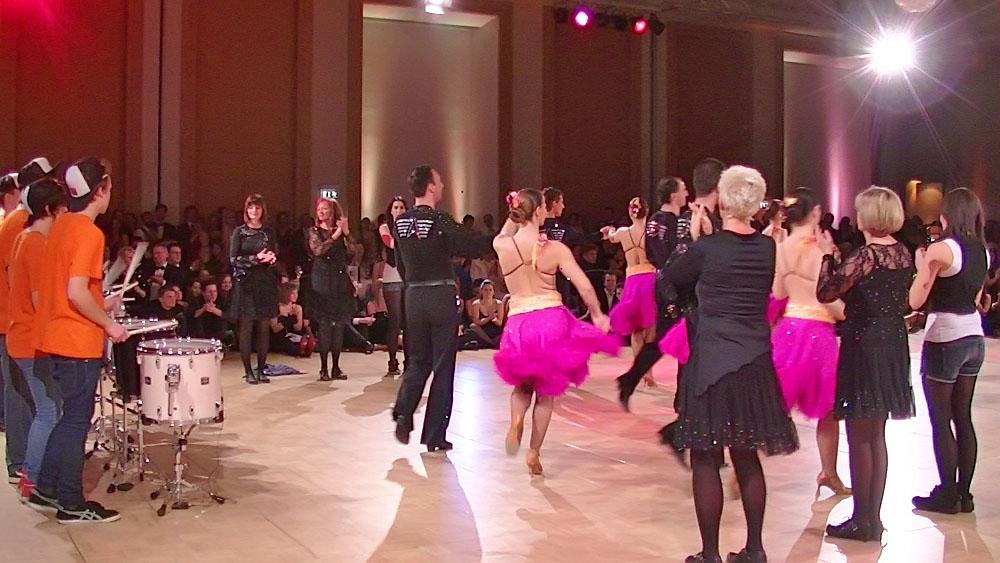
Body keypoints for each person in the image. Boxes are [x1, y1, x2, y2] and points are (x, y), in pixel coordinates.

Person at [664, 166, 798, 563]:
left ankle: (710, 554)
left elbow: (670, 278)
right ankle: (755, 549)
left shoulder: (707, 249)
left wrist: (693, 241)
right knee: (746, 454)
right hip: (754, 360)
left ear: (722, 200)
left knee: (706, 457)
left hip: (713, 361)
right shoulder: (768, 247)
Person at [494, 189, 618, 474]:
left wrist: (517, 208)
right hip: (550, 320)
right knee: (546, 393)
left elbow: (507, 229)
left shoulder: (501, 244)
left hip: (518, 322)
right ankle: (534, 453)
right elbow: (584, 285)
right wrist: (597, 315)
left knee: (522, 386)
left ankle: (515, 422)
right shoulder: (555, 249)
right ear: (540, 211)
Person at [817, 186, 914, 542]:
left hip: (865, 343)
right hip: (893, 343)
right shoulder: (902, 253)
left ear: (869, 216)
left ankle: (863, 520)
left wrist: (826, 256)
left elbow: (825, 292)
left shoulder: (867, 255)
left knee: (860, 435)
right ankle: (872, 518)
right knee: (876, 435)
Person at [34, 157, 126, 523]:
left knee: (68, 418)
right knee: (76, 421)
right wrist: (109, 324)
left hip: (57, 337)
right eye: (109, 186)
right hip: (77, 342)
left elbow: (68, 288)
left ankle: (47, 487)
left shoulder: (61, 226)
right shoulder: (90, 233)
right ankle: (71, 502)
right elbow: (75, 292)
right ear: (99, 191)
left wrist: (103, 302)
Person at [390, 164, 483, 452]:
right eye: (439, 181)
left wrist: (414, 285)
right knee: (443, 365)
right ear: (430, 186)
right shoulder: (440, 220)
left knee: (418, 360)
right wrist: (506, 234)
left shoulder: (400, 223)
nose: (442, 185)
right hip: (440, 295)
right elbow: (470, 245)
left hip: (413, 296)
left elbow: (401, 265)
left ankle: (403, 411)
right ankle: (434, 435)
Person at [908, 188, 987, 514]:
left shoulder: (941, 249)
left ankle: (946, 494)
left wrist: (921, 264)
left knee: (941, 421)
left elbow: (915, 300)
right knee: (962, 417)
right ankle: (964, 494)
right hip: (973, 337)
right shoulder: (982, 250)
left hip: (945, 338)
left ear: (948, 213)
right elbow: (978, 299)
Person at [770, 188, 850, 496]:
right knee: (827, 409)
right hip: (818, 333)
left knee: (777, 403)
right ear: (815, 213)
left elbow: (778, 293)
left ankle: (745, 464)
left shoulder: (781, 248)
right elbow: (830, 302)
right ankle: (829, 472)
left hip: (789, 329)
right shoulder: (819, 253)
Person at [8, 178, 66, 500]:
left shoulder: (24, 237)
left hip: (22, 337)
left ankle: (34, 475)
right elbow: (39, 300)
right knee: (49, 411)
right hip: (32, 341)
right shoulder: (37, 244)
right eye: (61, 208)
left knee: (49, 408)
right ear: (49, 209)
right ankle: (33, 478)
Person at [602, 197, 656, 386]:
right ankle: (648, 370)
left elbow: (611, 237)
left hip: (632, 281)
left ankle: (639, 368)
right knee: (650, 326)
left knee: (636, 329)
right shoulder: (650, 232)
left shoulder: (624, 232)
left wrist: (609, 231)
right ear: (647, 211)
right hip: (649, 279)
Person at [227, 194, 279, 384]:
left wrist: (271, 258)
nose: (254, 211)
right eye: (251, 208)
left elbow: (273, 253)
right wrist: (256, 258)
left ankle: (261, 370)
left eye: (257, 208)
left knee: (264, 327)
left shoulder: (269, 232)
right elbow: (234, 259)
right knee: (247, 327)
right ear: (246, 210)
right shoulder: (239, 232)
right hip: (246, 284)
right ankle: (248, 371)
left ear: (262, 210)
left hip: (264, 283)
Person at [308, 197, 356, 381]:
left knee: (339, 325)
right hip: (322, 281)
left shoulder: (341, 231)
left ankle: (336, 366)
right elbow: (318, 250)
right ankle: (323, 368)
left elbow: (353, 252)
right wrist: (335, 235)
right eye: (319, 209)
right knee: (325, 325)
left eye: (325, 209)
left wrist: (346, 233)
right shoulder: (314, 231)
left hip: (339, 281)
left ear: (333, 211)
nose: (321, 212)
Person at [376, 196, 408, 377]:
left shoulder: (411, 227)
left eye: (402, 207)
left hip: (408, 277)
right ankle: (392, 360)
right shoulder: (385, 227)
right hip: (392, 276)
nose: (399, 210)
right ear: (390, 210)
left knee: (409, 322)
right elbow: (391, 243)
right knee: (395, 321)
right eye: (396, 207)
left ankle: (409, 361)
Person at [270, 282, 313, 357]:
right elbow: (275, 329)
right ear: (285, 294)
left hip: (292, 335)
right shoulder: (276, 307)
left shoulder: (297, 307)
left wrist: (295, 317)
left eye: (296, 293)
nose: (296, 296)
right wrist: (287, 320)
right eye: (293, 293)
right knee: (290, 346)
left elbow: (298, 328)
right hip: (279, 336)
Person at [467, 280, 504, 349]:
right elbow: (476, 321)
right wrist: (489, 318)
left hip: (495, 330)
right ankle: (491, 343)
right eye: (485, 290)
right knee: (473, 326)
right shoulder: (476, 304)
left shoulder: (499, 303)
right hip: (482, 331)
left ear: (493, 292)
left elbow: (500, 323)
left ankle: (489, 343)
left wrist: (494, 319)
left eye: (490, 290)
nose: (488, 292)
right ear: (481, 291)